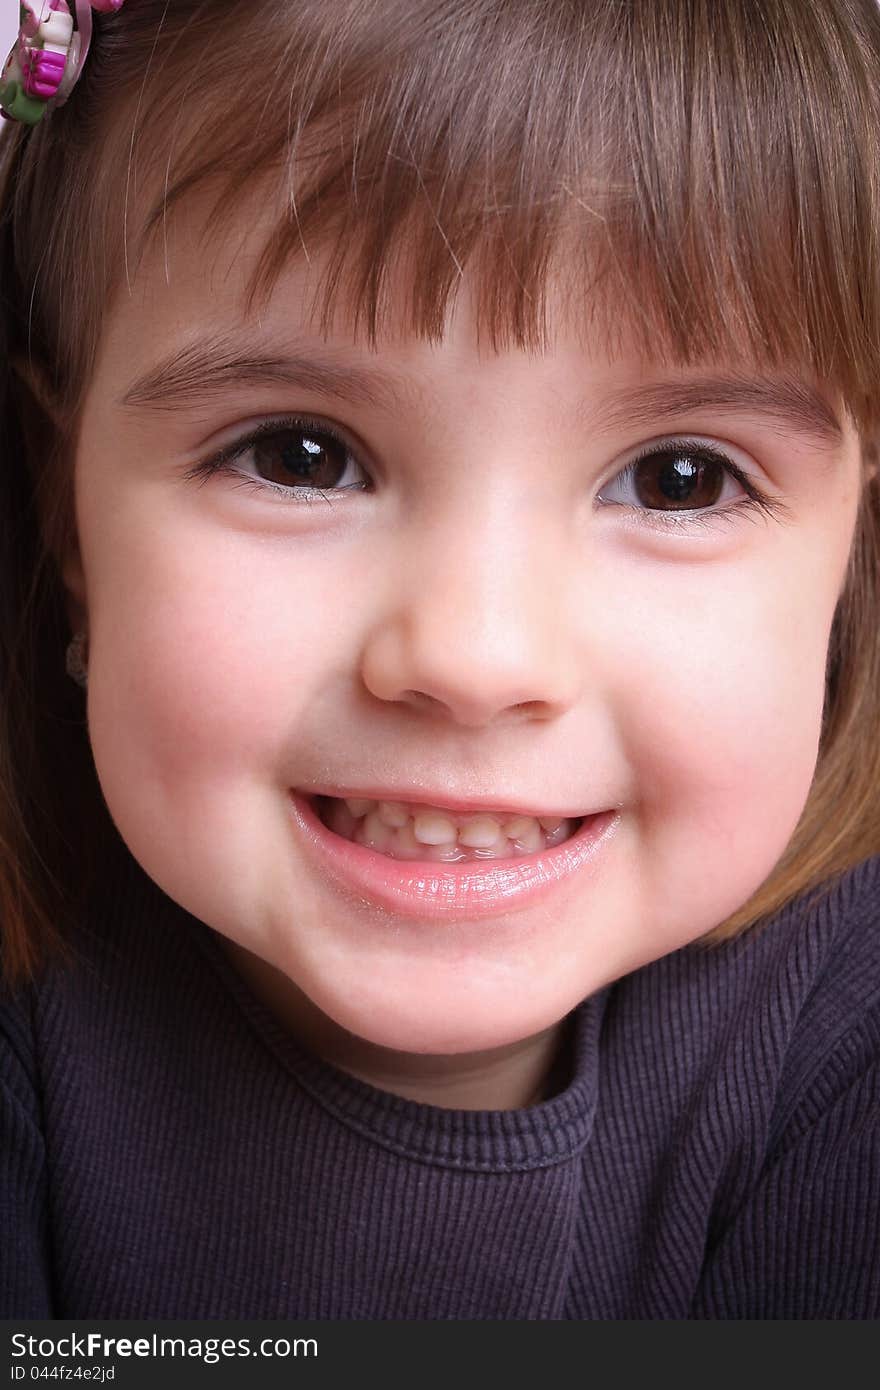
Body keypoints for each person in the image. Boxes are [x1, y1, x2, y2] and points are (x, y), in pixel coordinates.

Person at [0, 0, 878, 1321]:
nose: (472, 657)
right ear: (67, 516)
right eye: (300, 454)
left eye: (680, 478)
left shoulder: (846, 1034)